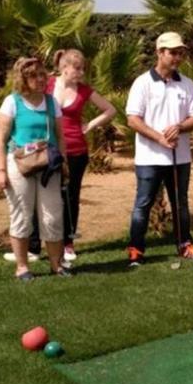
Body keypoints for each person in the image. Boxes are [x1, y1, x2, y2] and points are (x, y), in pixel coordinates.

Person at [124, 32, 193, 266]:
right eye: (172, 52)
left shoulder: (187, 84)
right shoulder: (142, 83)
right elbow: (133, 119)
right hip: (149, 157)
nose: (177, 57)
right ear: (160, 53)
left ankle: (184, 244)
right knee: (143, 204)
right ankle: (136, 249)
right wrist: (159, 138)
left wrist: (179, 127)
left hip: (180, 158)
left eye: (180, 53)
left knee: (180, 203)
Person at [0, 56, 69, 281]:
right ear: (22, 79)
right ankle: (22, 266)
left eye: (42, 75)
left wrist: (64, 164)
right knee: (22, 215)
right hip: (19, 164)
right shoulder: (12, 102)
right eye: (33, 76)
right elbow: (0, 140)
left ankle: (57, 265)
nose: (39, 79)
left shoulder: (51, 102)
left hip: (48, 164)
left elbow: (60, 136)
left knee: (52, 216)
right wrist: (0, 171)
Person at [47, 49, 117, 263]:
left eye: (82, 69)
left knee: (71, 196)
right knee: (46, 196)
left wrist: (91, 125)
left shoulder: (85, 90)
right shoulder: (47, 84)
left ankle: (68, 243)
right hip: (48, 148)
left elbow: (110, 110)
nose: (80, 73)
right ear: (64, 67)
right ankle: (37, 244)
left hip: (76, 150)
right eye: (76, 68)